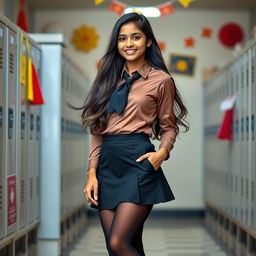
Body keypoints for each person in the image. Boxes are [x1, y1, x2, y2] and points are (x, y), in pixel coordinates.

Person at [68, 12, 189, 256]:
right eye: (122, 38)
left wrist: (161, 154)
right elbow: (97, 130)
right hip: (108, 165)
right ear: (117, 43)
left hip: (138, 160)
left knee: (118, 243)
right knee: (125, 246)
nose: (129, 43)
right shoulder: (106, 78)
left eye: (135, 37)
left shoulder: (161, 80)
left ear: (148, 42)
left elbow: (168, 126)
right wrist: (91, 173)